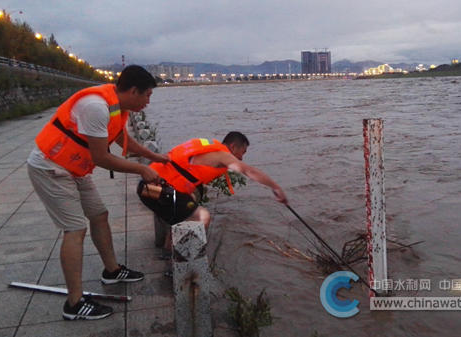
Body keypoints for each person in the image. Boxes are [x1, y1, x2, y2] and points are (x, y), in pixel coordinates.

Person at [27, 65, 168, 321]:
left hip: (75, 168)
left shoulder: (117, 106)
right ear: (133, 91)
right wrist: (141, 170)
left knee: (99, 215)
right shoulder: (96, 106)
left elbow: (122, 141)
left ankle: (112, 271)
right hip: (50, 167)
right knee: (75, 229)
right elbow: (101, 158)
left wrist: (154, 156)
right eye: (147, 95)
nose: (148, 102)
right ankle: (74, 303)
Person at [137, 131, 288, 252]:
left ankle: (168, 251)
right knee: (202, 217)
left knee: (186, 210)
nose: (242, 157)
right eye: (243, 152)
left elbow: (184, 172)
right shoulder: (222, 155)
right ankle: (184, 262)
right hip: (154, 190)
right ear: (233, 146)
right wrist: (276, 187)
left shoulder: (207, 149)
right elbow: (250, 172)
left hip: (147, 188)